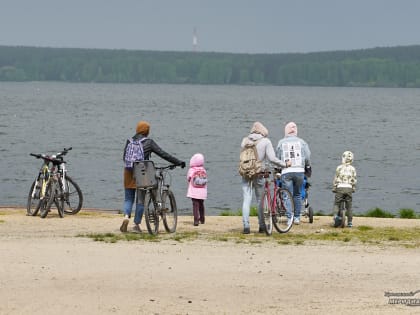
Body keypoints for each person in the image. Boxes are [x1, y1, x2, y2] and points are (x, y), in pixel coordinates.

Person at [120, 120, 185, 233]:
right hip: (142, 173)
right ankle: (136, 224)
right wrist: (178, 162)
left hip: (128, 172)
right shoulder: (149, 142)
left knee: (128, 198)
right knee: (140, 200)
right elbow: (163, 153)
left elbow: (124, 157)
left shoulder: (129, 141)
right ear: (147, 131)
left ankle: (126, 217)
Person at [240, 121, 288, 234]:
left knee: (246, 200)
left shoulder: (244, 141)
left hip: (246, 172)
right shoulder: (265, 141)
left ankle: (246, 226)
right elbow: (272, 158)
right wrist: (284, 164)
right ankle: (261, 225)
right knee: (260, 200)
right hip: (259, 172)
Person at [276, 122, 311, 225]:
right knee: (298, 194)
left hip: (286, 171)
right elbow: (307, 156)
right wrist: (307, 166)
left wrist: (278, 168)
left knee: (287, 195)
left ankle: (289, 217)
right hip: (300, 171)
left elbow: (278, 157)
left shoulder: (281, 142)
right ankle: (296, 218)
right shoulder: (302, 142)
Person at [332, 150, 357, 227]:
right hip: (348, 188)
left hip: (340, 187)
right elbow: (354, 180)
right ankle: (350, 222)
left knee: (337, 203)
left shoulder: (339, 168)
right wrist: (353, 188)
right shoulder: (353, 169)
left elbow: (335, 179)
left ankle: (336, 216)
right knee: (349, 206)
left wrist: (334, 187)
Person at [186, 153, 208, 226]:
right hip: (202, 191)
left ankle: (196, 220)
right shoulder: (203, 170)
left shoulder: (191, 170)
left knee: (195, 205)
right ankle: (202, 219)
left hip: (194, 191)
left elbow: (188, 178)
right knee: (201, 204)